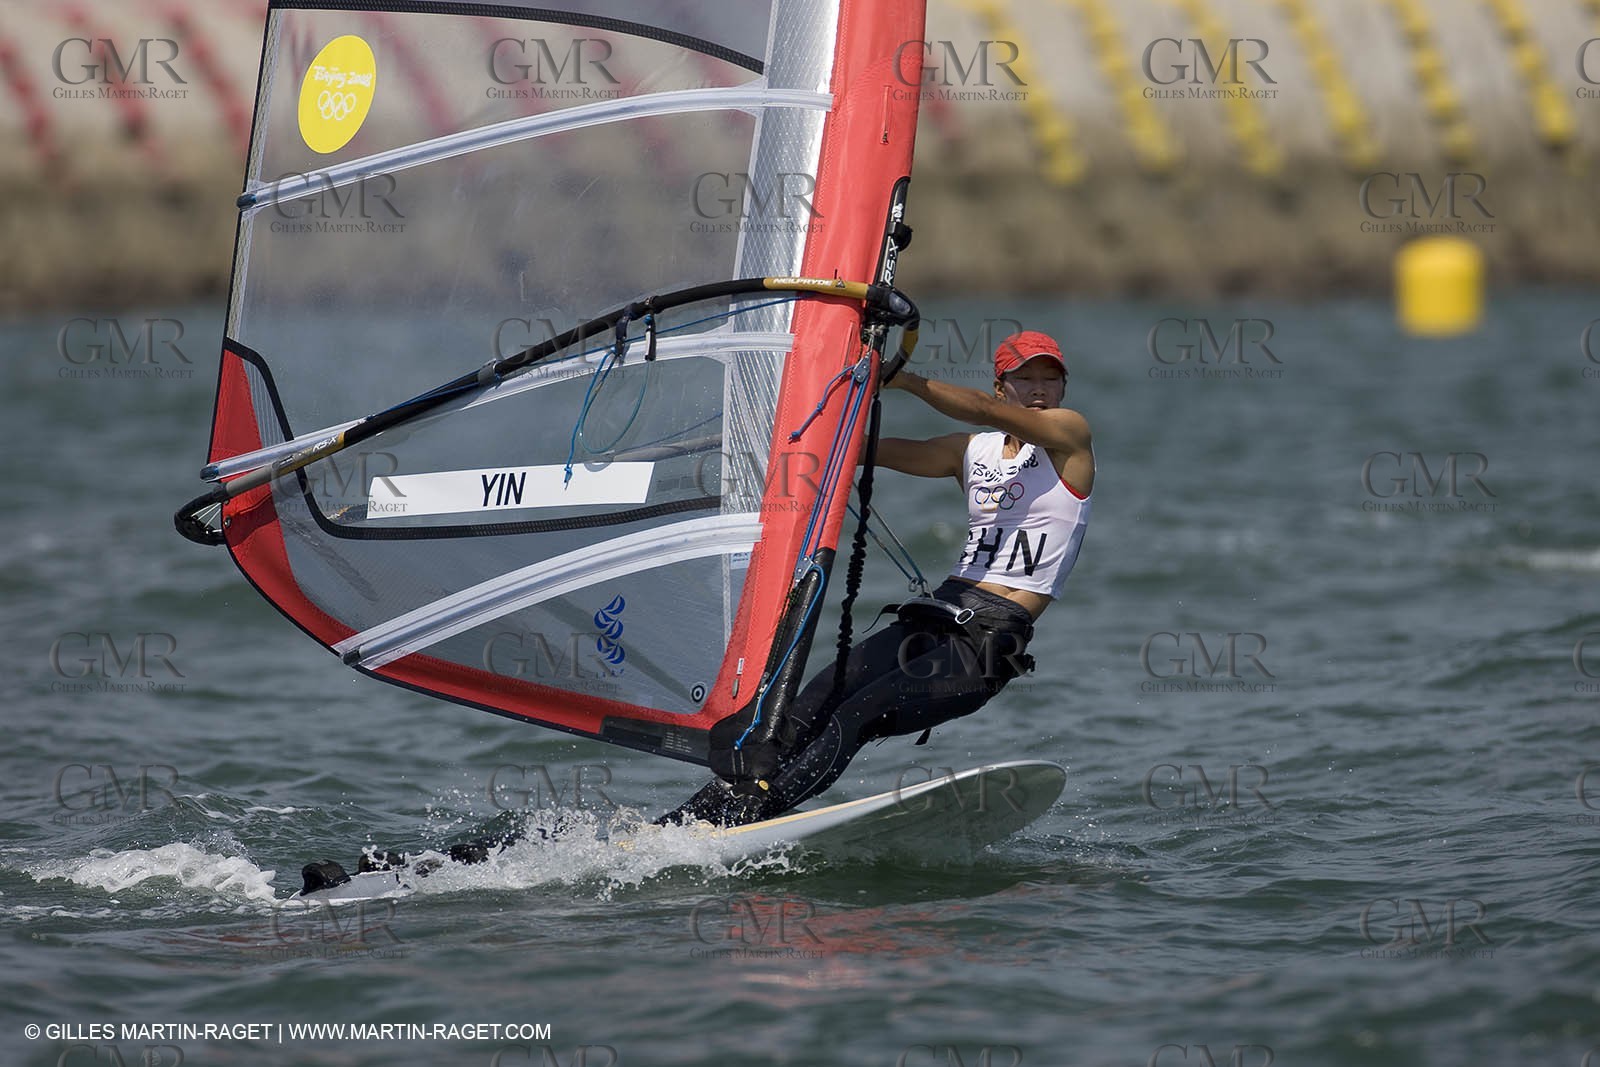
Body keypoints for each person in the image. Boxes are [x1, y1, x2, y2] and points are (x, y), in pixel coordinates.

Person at [660, 330, 1094, 827]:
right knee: (807, 705)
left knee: (857, 715)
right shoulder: (971, 452)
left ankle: (747, 817)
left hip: (988, 643)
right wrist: (789, 434)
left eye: (1050, 379)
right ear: (1003, 385)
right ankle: (687, 823)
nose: (1040, 390)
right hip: (939, 616)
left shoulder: (1070, 437)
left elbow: (982, 409)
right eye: (1025, 379)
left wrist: (903, 380)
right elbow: (858, 452)